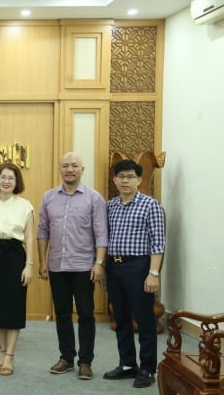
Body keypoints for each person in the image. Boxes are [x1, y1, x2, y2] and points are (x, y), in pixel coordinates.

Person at [37, 152, 108, 380]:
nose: (70, 169)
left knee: (86, 314)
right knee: (62, 313)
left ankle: (85, 361)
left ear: (82, 169)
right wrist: (42, 261)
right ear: (60, 169)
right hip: (57, 265)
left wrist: (99, 263)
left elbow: (101, 233)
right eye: (65, 166)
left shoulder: (94, 198)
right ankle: (66, 357)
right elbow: (42, 231)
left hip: (84, 267)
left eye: (74, 166)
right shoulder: (48, 197)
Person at [103, 159, 165, 389]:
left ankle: (148, 367)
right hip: (115, 266)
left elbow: (158, 243)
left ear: (139, 179)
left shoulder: (151, 205)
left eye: (130, 176)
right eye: (121, 176)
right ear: (115, 180)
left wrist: (154, 273)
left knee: (145, 319)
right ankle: (127, 364)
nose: (125, 180)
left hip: (139, 267)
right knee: (120, 318)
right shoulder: (111, 206)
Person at [0, 163, 34, 376]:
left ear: (16, 182)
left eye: (11, 178)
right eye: (3, 177)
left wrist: (29, 265)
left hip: (15, 256)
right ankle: (2, 352)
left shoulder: (25, 205)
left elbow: (29, 237)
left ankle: (10, 355)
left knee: (13, 306)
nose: (6, 181)